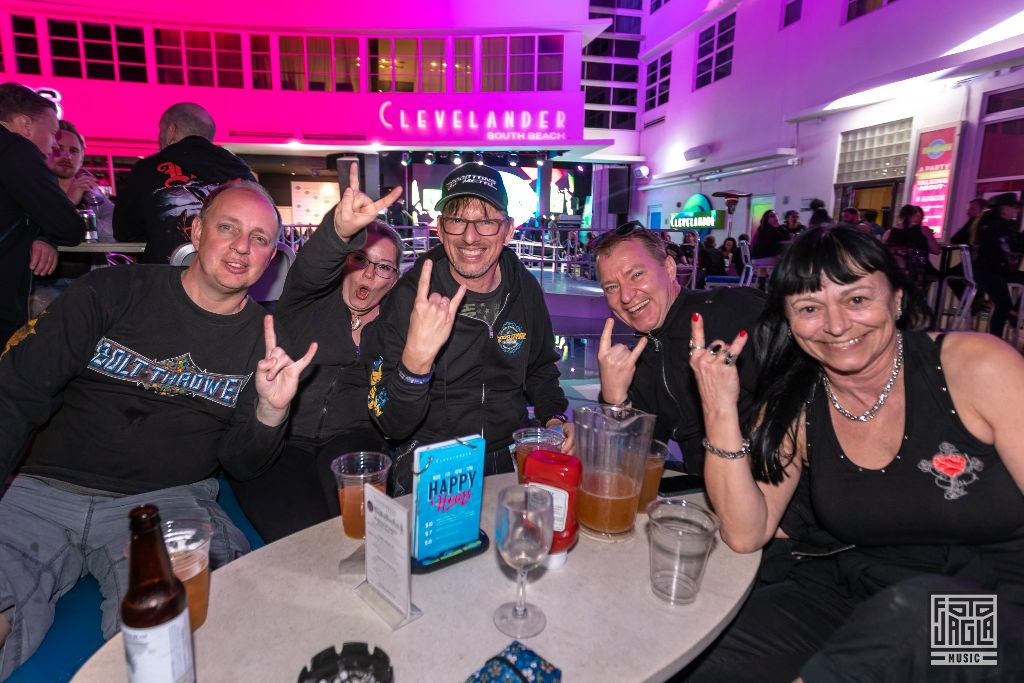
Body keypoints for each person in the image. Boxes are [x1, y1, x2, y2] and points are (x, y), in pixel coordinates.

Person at [0, 181, 316, 678]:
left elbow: (242, 463)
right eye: (228, 228)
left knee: (191, 637)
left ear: (271, 256)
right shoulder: (110, 292)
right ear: (196, 229)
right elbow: (17, 392)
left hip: (166, 503)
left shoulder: (268, 341)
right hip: (41, 492)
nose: (241, 247)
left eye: (259, 239)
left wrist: (270, 413)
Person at [684, 225, 1024, 681]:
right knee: (705, 653)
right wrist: (720, 408)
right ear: (789, 321)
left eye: (857, 299)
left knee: (916, 617)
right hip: (852, 599)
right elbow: (746, 533)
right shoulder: (797, 404)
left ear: (897, 299)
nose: (837, 324)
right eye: (809, 308)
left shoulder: (977, 366)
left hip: (999, 617)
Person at [367, 164, 572, 495]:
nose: (470, 236)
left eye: (487, 221)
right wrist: (414, 366)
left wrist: (554, 419)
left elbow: (540, 370)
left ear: (508, 231)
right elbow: (390, 422)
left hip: (511, 452)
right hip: (433, 457)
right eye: (457, 220)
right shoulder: (410, 297)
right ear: (440, 229)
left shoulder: (525, 290)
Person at [232, 164, 404, 541]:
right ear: (345, 262)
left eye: (384, 267)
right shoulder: (306, 301)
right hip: (283, 439)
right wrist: (338, 231)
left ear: (394, 279)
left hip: (353, 437)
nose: (370, 275)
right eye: (361, 260)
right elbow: (311, 267)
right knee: (306, 540)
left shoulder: (395, 325)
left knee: (362, 532)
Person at [594, 224, 763, 475]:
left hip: (767, 489)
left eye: (636, 275)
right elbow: (631, 463)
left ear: (670, 268)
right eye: (611, 287)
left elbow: (801, 385)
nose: (626, 296)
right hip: (703, 490)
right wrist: (614, 398)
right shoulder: (642, 358)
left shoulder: (730, 310)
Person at [113, 102, 256, 264]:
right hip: (227, 276)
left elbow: (123, 231)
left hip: (164, 282)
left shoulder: (147, 169)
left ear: (171, 131)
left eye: (160, 130)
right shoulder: (241, 172)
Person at [0, 82, 81, 345]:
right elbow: (68, 226)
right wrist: (44, 232)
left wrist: (36, 231)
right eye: (52, 134)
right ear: (25, 125)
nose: (53, 147)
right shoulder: (15, 149)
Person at [32, 119, 117, 314]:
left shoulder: (91, 195)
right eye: (59, 149)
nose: (66, 156)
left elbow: (115, 231)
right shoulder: (33, 190)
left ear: (82, 157)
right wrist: (69, 201)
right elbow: (33, 228)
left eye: (74, 151)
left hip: (89, 284)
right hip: (42, 287)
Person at [971, 192, 1024, 338]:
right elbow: (1012, 247)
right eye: (1013, 207)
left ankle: (1013, 314)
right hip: (989, 272)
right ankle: (996, 337)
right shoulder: (999, 226)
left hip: (985, 271)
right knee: (1004, 305)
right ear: (1003, 208)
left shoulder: (990, 222)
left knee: (1004, 304)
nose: (1016, 210)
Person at [883, 204, 940, 287]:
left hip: (894, 271)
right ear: (916, 216)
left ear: (900, 216)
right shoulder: (924, 230)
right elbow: (936, 250)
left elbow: (883, 252)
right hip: (919, 271)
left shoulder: (889, 233)